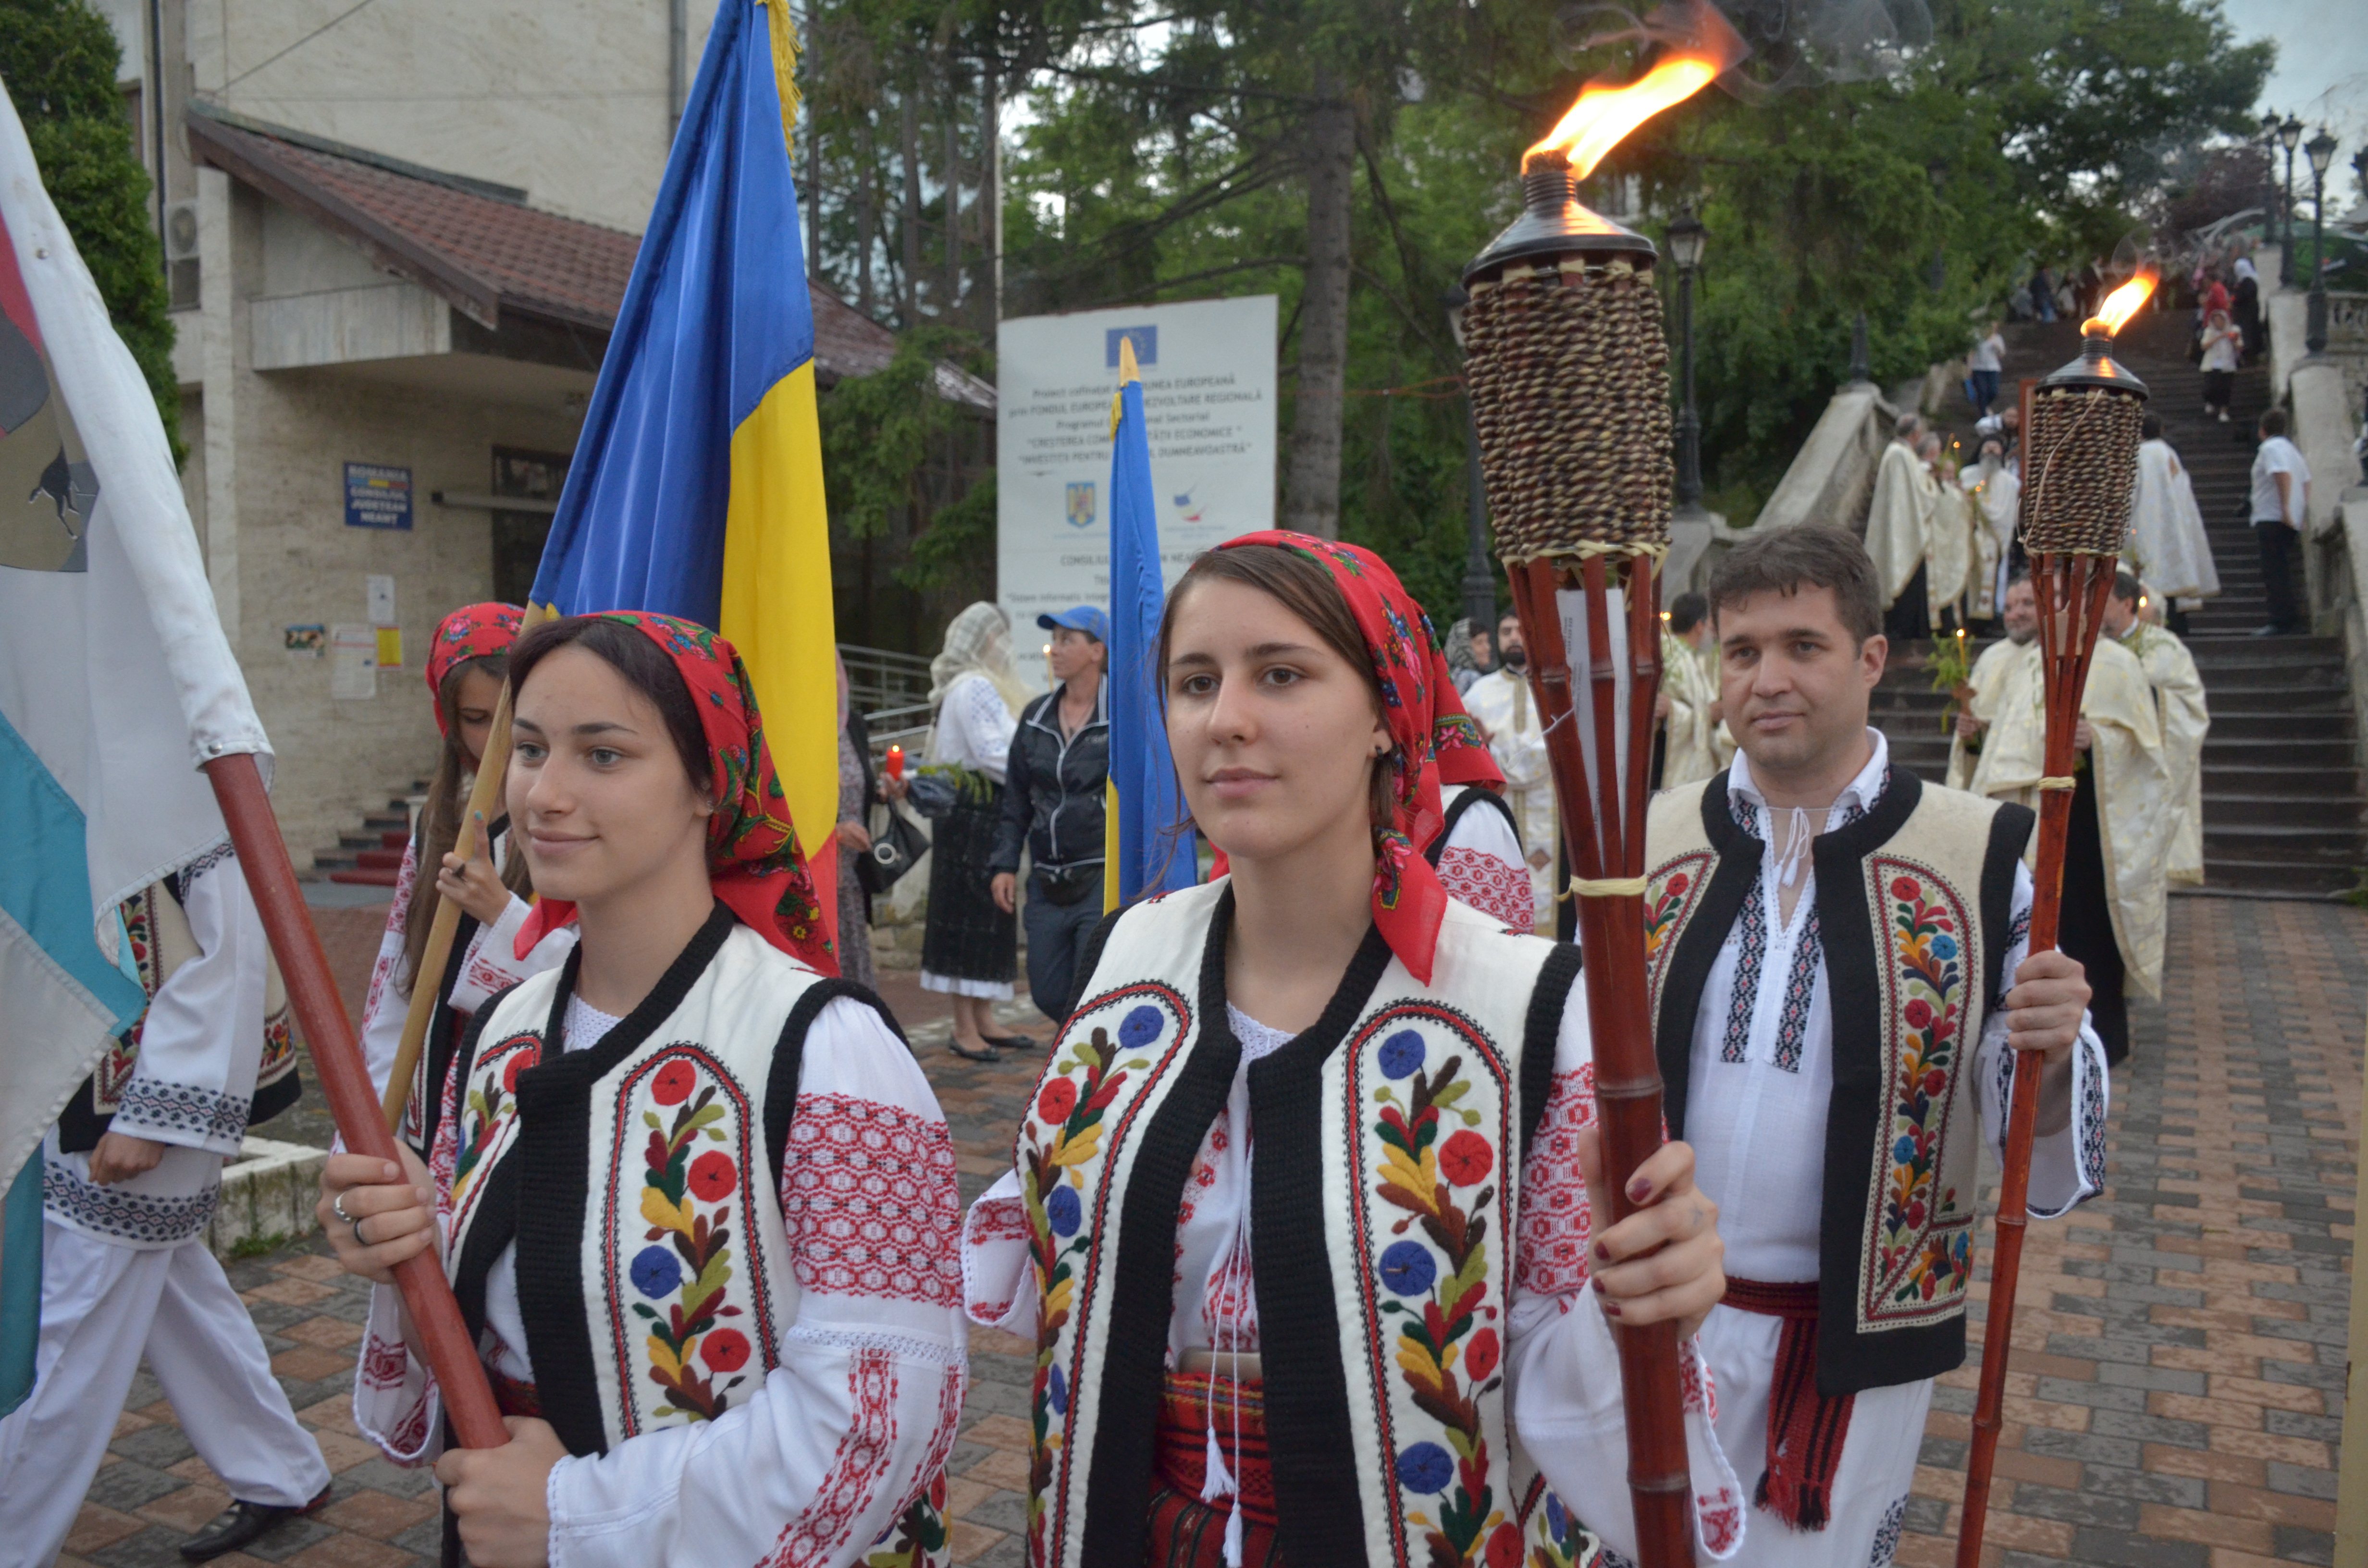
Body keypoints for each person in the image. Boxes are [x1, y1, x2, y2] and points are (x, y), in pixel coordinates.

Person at [960, 532, 1739, 1568]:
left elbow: (1563, 1389)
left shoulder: (1526, 1009)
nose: (1226, 719)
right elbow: (1040, 1251)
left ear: (1385, 712)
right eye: (1196, 682)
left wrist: (1637, 1303)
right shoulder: (1131, 956)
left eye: (1280, 674)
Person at [321, 612, 964, 1568]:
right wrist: (405, 1237)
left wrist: (575, 1516)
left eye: (605, 755)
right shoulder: (503, 1029)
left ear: (711, 782)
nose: (543, 793)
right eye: (530, 749)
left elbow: (881, 1415)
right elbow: (486, 1313)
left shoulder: (831, 1052)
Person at [1645, 527, 2108, 1564]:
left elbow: (2016, 1110)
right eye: (1741, 650)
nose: (1768, 679)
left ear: (1869, 658)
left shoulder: (1984, 853)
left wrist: (2043, 1035)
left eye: (1803, 646)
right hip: (1649, 1327)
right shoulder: (1644, 842)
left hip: (1854, 1344)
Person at [0, 858, 331, 1565]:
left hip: (148, 1103)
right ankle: (282, 1471)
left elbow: (232, 956)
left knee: (63, 1330)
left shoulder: (179, 770)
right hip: (87, 1085)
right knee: (176, 1295)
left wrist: (156, 1112)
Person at [360, 604, 577, 1139]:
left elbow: (603, 981)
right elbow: (397, 981)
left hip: (516, 1106)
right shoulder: (437, 826)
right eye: (477, 721)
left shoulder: (570, 824)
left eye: (510, 720)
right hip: (427, 1102)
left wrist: (502, 914)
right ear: (450, 723)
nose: (495, 742)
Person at [1951, 572, 2169, 1066]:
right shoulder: (2025, 665)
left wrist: (2101, 742)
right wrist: (1972, 738)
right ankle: (2028, 1034)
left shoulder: (2117, 664)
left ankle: (2099, 1040)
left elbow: (2148, 756)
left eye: (2058, 602)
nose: (2050, 613)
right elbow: (1999, 750)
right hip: (2028, 822)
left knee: (2087, 930)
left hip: (2088, 829)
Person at [921, 601, 1033, 1059]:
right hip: (972, 817)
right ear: (989, 641)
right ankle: (964, 1026)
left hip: (982, 816)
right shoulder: (974, 688)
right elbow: (992, 754)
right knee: (967, 919)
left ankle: (983, 1017)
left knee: (990, 916)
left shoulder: (974, 687)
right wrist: (1036, 777)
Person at [992, 606, 1111, 1029]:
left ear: (1097, 651)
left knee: (1090, 986)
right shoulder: (1036, 716)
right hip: (1045, 879)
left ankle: (1085, 1076)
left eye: (1067, 640)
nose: (1055, 650)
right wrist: (1005, 864)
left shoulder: (1121, 717)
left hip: (1099, 873)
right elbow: (1016, 800)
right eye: (1054, 640)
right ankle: (1079, 1051)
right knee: (1046, 991)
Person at [2106, 572, 2209, 888]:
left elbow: (2187, 706)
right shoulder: (2089, 649)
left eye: (2101, 602)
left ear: (2126, 604)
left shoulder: (2163, 647)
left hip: (2146, 761)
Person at [1462, 609, 1559, 931]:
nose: (1514, 637)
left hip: (1553, 818)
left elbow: (1559, 749)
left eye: (1521, 630)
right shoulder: (1477, 695)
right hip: (1495, 815)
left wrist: (1490, 752)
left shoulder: (1557, 691)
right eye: (1506, 632)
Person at [2125, 414, 2220, 633]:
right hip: (2175, 527)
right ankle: (2179, 628)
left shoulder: (2141, 456)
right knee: (2172, 581)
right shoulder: (2169, 453)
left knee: (2154, 582)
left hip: (2149, 526)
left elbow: (2132, 496)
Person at [1863, 412, 1934, 641]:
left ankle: (1912, 628)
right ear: (1915, 434)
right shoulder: (1900, 455)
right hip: (1903, 528)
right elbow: (1919, 495)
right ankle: (1905, 628)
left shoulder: (1899, 454)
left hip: (1902, 524)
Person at [835, 649, 881, 989]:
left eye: (836, 669)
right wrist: (834, 832)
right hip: (816, 874)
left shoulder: (853, 724)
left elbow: (861, 781)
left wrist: (884, 788)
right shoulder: (795, 730)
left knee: (855, 971)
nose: (834, 680)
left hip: (851, 876)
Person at [2251, 407, 2313, 636]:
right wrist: (2300, 511)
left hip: (2272, 517)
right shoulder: (2291, 450)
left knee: (2274, 571)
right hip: (2286, 519)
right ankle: (2287, 617)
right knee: (2282, 569)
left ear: (2263, 430)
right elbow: (2306, 481)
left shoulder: (2271, 448)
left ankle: (2281, 620)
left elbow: (2282, 474)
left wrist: (2286, 508)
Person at [1659, 590, 1725, 788]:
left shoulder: (1681, 654)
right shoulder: (1678, 659)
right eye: (1711, 626)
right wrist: (1709, 713)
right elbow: (1663, 708)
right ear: (1699, 626)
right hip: (1663, 764)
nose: (1713, 633)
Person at [1919, 433, 1973, 631]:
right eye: (1946, 473)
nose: (1950, 477)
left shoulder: (1952, 490)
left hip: (1952, 546)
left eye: (1953, 473)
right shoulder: (1936, 487)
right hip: (1938, 543)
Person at [1965, 437, 2017, 628]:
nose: (1992, 453)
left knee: (1989, 577)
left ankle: (1985, 621)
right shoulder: (1967, 475)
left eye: (1996, 449)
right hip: (1969, 536)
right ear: (1981, 450)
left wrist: (1980, 506)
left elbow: (2004, 512)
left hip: (1992, 538)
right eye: (1988, 448)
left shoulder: (2008, 482)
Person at [2199, 309, 2241, 423]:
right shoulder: (2209, 331)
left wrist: (2233, 340)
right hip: (2212, 364)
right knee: (2210, 387)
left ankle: (2223, 412)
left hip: (2228, 365)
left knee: (2226, 389)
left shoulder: (2234, 331)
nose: (2218, 323)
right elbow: (2204, 346)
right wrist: (2219, 337)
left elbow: (2240, 346)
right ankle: (2210, 402)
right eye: (2216, 321)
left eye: (2220, 320)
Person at [1966, 320, 2005, 416]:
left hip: (1993, 368)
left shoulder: (1998, 339)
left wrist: (1997, 347)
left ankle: (1985, 406)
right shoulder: (1977, 338)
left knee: (1994, 391)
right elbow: (1971, 353)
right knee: (1982, 391)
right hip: (1978, 368)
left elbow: (2002, 355)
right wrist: (1969, 367)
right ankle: (1984, 415)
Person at [1443, 615, 1487, 694]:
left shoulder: (1447, 677)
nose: (1487, 648)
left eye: (1487, 642)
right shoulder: (1471, 677)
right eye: (1479, 643)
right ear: (1464, 647)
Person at [2233, 255, 2264, 363]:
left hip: (2248, 313)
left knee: (2249, 334)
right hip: (2248, 312)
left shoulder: (2248, 282)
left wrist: (2234, 299)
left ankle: (2251, 355)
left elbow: (2242, 296)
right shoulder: (2249, 281)